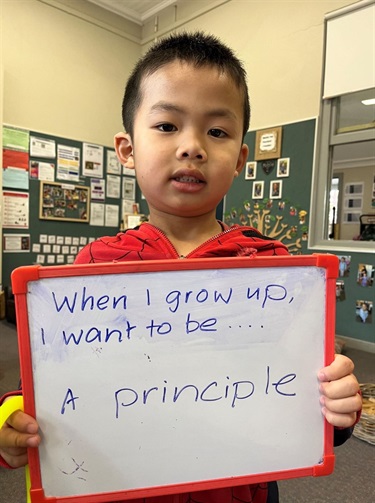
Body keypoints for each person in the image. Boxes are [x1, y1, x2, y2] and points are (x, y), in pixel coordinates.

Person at [0, 32, 362, 503]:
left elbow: (304, 404)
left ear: (240, 161)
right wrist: (13, 422)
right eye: (167, 125)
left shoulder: (277, 271)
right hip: (124, 482)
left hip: (237, 486)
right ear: (127, 150)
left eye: (217, 131)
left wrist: (338, 407)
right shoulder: (92, 268)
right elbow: (45, 384)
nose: (192, 146)